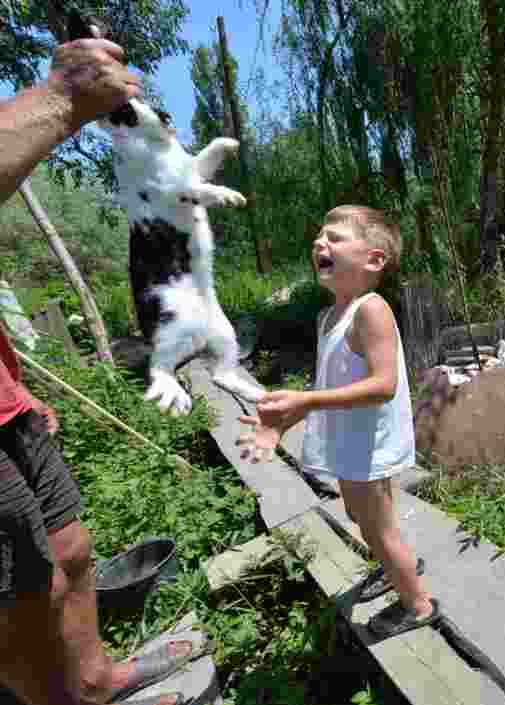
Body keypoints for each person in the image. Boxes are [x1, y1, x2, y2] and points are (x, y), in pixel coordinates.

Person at [0, 26, 190, 705]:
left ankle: (97, 678)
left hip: (5, 404)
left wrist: (15, 383)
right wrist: (60, 96)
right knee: (22, 599)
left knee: (71, 549)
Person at [236, 205, 440, 637]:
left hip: (369, 442)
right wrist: (280, 420)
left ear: (373, 260)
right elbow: (331, 380)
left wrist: (307, 401)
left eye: (334, 237)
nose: (319, 243)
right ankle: (394, 564)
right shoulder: (329, 316)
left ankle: (418, 604)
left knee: (377, 528)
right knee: (358, 514)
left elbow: (384, 384)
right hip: (348, 438)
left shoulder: (372, 309)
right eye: (318, 237)